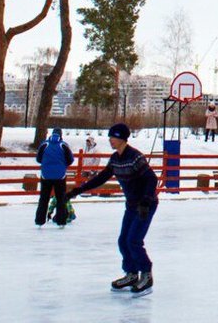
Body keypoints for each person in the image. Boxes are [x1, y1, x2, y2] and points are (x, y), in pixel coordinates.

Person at [68, 123, 159, 297]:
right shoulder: (115, 159)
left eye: (112, 137)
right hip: (132, 204)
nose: (110, 140)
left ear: (121, 138)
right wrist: (78, 190)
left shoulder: (135, 157)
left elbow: (151, 179)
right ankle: (131, 274)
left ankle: (146, 274)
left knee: (134, 240)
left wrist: (146, 201)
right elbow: (101, 178)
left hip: (145, 205)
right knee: (123, 240)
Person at [35, 127, 74, 227]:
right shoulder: (63, 145)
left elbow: (38, 159)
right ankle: (61, 221)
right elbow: (70, 159)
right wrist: (63, 165)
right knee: (61, 198)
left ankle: (39, 220)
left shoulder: (44, 144)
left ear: (52, 134)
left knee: (44, 198)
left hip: (46, 175)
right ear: (61, 135)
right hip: (60, 176)